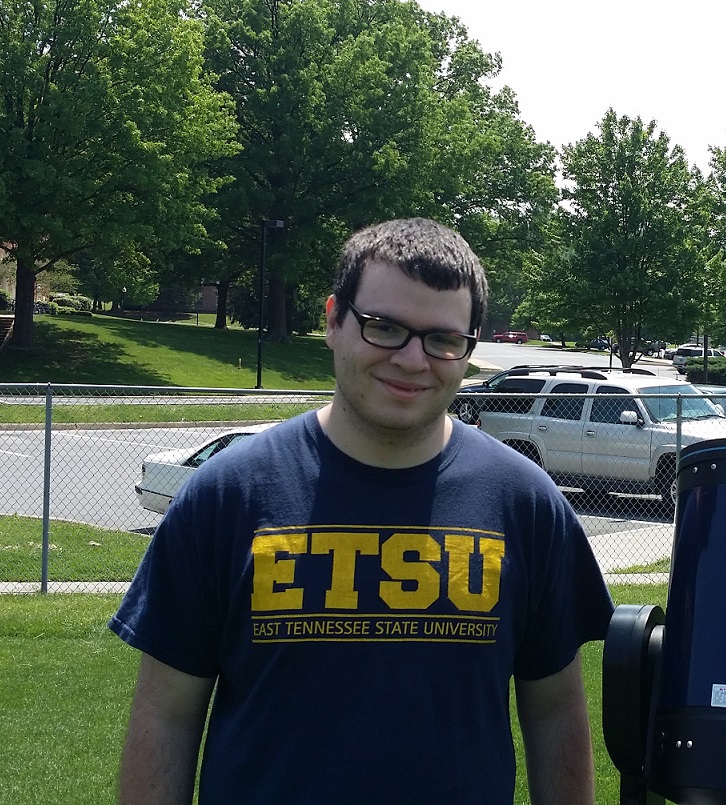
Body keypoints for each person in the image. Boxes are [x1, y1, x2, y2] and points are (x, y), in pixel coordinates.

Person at [109, 217, 614, 804]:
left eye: (442, 339)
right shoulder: (226, 495)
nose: (412, 359)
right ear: (333, 321)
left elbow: (555, 717)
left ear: (468, 351)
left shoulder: (526, 504)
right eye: (385, 327)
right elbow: (165, 718)